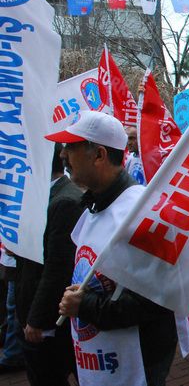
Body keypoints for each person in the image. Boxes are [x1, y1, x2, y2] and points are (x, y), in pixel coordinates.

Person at [50, 111, 178, 386]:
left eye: (71, 147)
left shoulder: (141, 212)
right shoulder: (94, 204)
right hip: (101, 359)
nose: (63, 156)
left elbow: (156, 299)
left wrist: (85, 305)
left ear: (98, 156)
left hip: (140, 361)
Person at [13, 144, 84, 385]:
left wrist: (37, 319)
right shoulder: (41, 198)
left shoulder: (66, 201)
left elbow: (57, 269)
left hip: (48, 324)